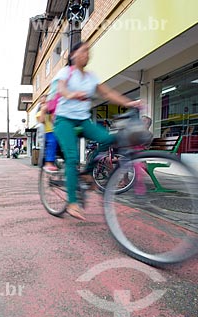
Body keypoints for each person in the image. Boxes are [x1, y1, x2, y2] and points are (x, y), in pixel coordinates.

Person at [52, 41, 143, 221]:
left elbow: (108, 94)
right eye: (84, 51)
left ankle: (87, 173)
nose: (87, 54)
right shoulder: (66, 72)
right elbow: (61, 88)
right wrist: (71, 94)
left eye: (89, 51)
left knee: (108, 139)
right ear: (73, 55)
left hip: (83, 120)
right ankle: (71, 202)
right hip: (64, 120)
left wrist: (130, 103)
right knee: (71, 158)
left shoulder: (91, 77)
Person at [36, 95, 59, 171]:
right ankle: (49, 162)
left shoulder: (53, 111)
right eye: (42, 103)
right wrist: (44, 110)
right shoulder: (39, 113)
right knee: (52, 142)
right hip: (47, 132)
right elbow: (41, 120)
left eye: (46, 102)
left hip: (55, 131)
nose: (44, 104)